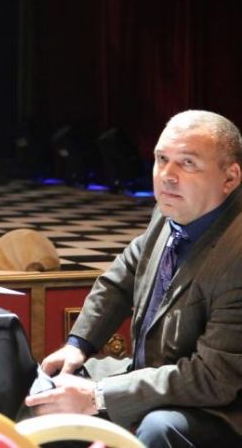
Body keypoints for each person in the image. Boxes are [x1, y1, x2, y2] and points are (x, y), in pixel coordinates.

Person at [25, 110, 242, 447]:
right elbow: (121, 279)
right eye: (161, 159)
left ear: (230, 178)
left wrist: (97, 395)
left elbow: (212, 378)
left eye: (187, 163)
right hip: (154, 376)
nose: (167, 176)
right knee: (47, 389)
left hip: (221, 407)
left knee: (158, 427)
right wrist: (78, 346)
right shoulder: (171, 210)